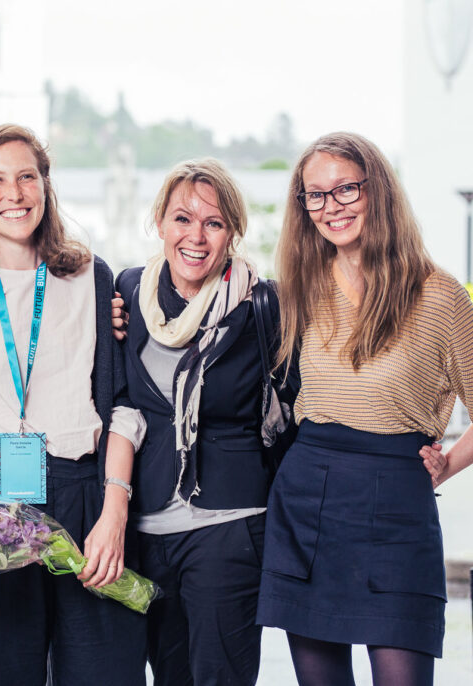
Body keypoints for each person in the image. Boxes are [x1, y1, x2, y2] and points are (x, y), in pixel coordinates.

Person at [257, 132, 473, 686]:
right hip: (307, 499)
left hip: (398, 503)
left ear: (377, 190)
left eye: (346, 189)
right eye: (316, 195)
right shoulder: (299, 290)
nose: (332, 207)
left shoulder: (437, 295)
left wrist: (447, 463)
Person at [0, 123, 148, 686]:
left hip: (85, 495)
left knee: (104, 673)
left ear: (46, 185)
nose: (13, 194)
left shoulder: (93, 278)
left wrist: (114, 516)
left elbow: (123, 408)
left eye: (26, 176)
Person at [115, 158, 297, 686]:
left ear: (232, 233)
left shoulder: (263, 305)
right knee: (167, 675)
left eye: (213, 223)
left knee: (221, 676)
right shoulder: (129, 291)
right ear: (160, 223)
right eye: (182, 219)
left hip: (229, 524)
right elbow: (119, 400)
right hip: (146, 528)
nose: (196, 237)